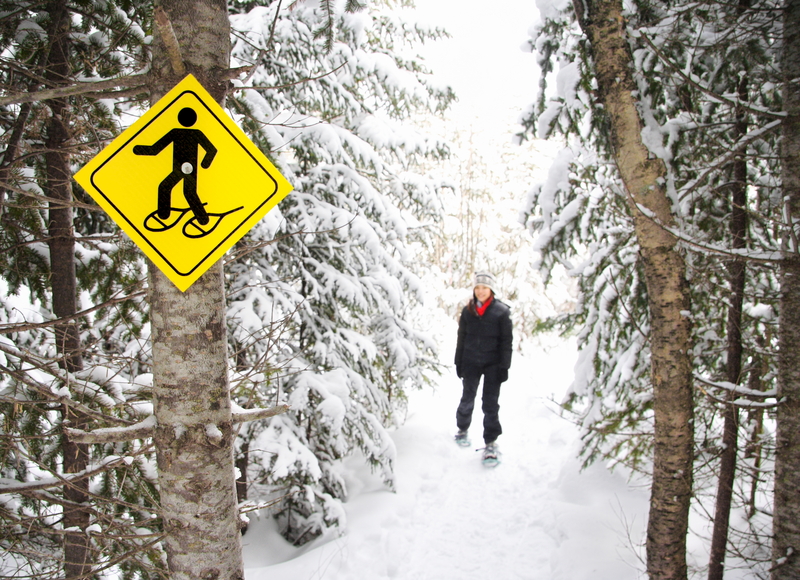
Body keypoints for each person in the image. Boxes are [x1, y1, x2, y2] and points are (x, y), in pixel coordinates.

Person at [453, 272, 512, 462]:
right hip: (470, 361)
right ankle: (462, 429)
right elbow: (461, 337)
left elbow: (506, 342)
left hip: (493, 364)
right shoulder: (467, 311)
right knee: (467, 397)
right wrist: (458, 361)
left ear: (491, 290)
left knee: (490, 403)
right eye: (477, 288)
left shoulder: (501, 312)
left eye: (484, 288)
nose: (480, 291)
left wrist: (505, 366)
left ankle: (491, 442)